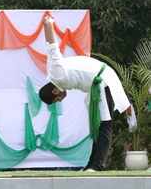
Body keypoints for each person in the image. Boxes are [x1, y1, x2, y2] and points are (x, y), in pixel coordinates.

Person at [38, 16, 129, 172]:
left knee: (104, 126)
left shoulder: (56, 74)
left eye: (57, 100)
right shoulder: (54, 74)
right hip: (96, 86)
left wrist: (49, 23)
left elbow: (52, 47)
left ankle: (97, 166)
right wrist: (47, 26)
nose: (60, 100)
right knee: (96, 126)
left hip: (103, 80)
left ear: (55, 91)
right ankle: (91, 164)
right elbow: (48, 47)